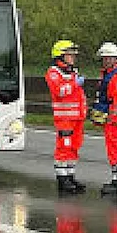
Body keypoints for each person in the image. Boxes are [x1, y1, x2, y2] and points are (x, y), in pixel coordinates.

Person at [90, 42, 117, 196]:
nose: (105, 61)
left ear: (116, 59)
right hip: (115, 120)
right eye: (104, 58)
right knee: (115, 150)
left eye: (108, 58)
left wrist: (111, 119)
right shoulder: (112, 73)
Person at [46, 39, 88, 194]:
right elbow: (60, 91)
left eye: (73, 55)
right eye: (69, 55)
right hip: (64, 119)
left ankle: (70, 176)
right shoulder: (53, 73)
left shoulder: (72, 71)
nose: (72, 58)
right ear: (60, 56)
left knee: (74, 147)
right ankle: (62, 180)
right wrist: (75, 83)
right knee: (64, 147)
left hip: (76, 117)